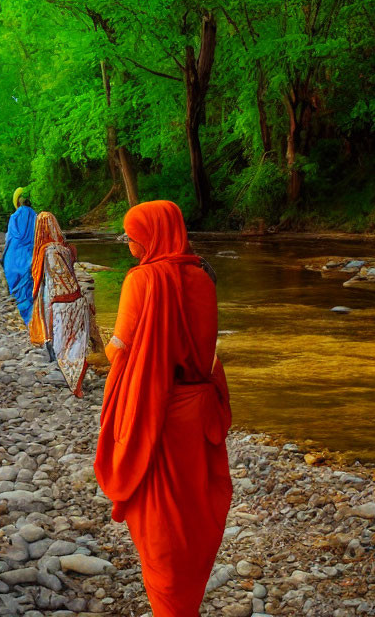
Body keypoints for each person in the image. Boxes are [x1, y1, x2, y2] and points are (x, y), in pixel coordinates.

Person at [94, 200, 232, 616]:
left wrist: (99, 346)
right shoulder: (204, 277)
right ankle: (186, 604)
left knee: (160, 527)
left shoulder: (141, 281)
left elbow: (121, 352)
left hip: (157, 416)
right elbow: (206, 351)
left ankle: (170, 609)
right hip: (199, 413)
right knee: (194, 520)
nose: (130, 243)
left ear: (153, 235)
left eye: (132, 236)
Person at [27, 212, 101, 396]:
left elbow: (45, 280)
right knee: (74, 337)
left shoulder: (45, 252)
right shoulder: (64, 249)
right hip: (73, 297)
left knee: (59, 336)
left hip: (56, 300)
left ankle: (68, 370)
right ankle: (79, 365)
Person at [2, 187, 36, 324]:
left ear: (17, 202)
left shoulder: (14, 217)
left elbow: (10, 239)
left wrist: (3, 258)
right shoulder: (35, 215)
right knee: (29, 287)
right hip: (30, 256)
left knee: (17, 289)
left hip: (14, 257)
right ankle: (33, 320)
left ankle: (25, 319)